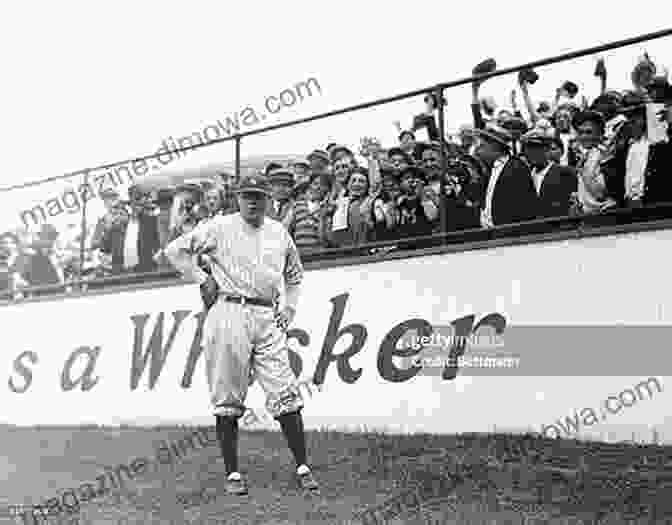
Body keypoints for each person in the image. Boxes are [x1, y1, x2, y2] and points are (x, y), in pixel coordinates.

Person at [164, 172, 320, 496]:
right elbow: (175, 250)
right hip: (228, 310)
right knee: (227, 394)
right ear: (238, 197)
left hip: (266, 312)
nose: (252, 201)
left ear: (267, 199)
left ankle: (303, 466)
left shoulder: (278, 232)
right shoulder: (220, 227)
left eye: (258, 195)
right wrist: (200, 278)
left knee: (284, 388)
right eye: (247, 195)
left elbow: (295, 276)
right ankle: (233, 472)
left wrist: (289, 309)